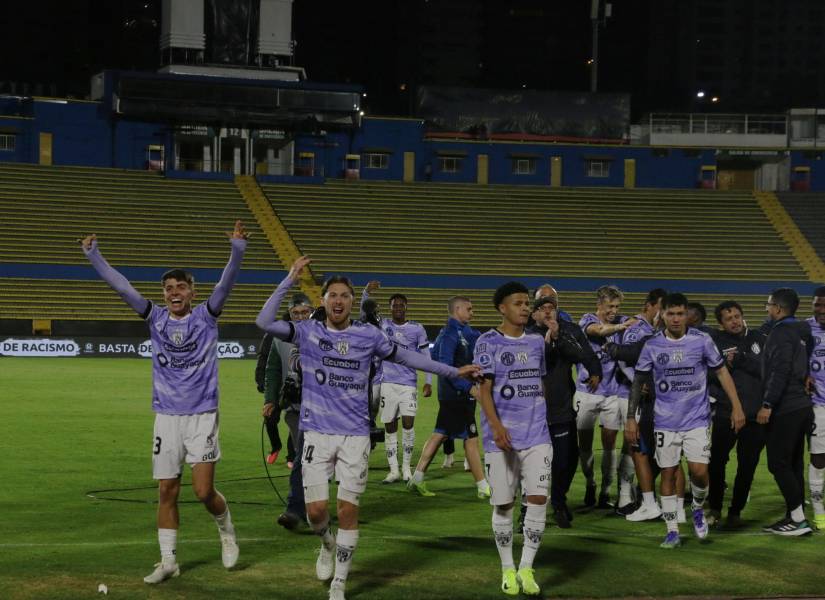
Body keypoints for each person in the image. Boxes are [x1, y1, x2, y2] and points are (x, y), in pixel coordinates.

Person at [255, 257, 480, 600]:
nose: (339, 300)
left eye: (345, 295)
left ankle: (340, 582)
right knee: (317, 514)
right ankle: (326, 544)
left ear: (350, 300)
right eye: (333, 295)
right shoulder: (308, 331)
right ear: (325, 301)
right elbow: (263, 321)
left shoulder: (368, 335)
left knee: (347, 509)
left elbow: (408, 357)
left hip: (355, 436)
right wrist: (289, 279)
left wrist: (451, 372)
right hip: (316, 433)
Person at [79, 221, 247, 583]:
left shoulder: (206, 316)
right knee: (166, 490)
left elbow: (225, 285)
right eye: (168, 288)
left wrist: (237, 251)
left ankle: (226, 529)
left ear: (191, 292)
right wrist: (95, 256)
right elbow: (122, 287)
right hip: (166, 417)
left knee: (203, 491)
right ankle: (168, 561)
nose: (174, 292)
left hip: (201, 414)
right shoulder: (154, 318)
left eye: (180, 287)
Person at [629, 293, 745, 548]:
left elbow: (722, 371)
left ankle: (697, 507)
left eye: (680, 314)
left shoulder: (701, 341)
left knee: (700, 473)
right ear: (663, 315)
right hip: (665, 421)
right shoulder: (652, 345)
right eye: (670, 314)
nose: (676, 319)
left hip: (697, 419)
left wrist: (737, 406)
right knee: (668, 474)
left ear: (686, 315)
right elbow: (638, 381)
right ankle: (672, 531)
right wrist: (631, 418)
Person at [476, 282, 551, 596]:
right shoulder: (487, 342)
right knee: (504, 504)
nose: (524, 308)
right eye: (518, 303)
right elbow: (483, 390)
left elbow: (540, 383)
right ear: (502, 308)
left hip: (537, 435)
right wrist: (496, 427)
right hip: (502, 438)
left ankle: (526, 567)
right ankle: (507, 566)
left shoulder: (537, 342)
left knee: (537, 499)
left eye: (526, 303)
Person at [408, 296, 491, 498]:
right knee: (470, 438)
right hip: (455, 394)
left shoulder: (466, 332)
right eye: (469, 309)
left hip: (459, 394)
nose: (473, 312)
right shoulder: (449, 334)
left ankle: (416, 479)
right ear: (457, 309)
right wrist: (468, 388)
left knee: (443, 434)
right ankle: (483, 487)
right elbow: (444, 367)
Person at [529, 295, 601, 528]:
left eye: (552, 308)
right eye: (543, 308)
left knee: (567, 459)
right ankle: (526, 510)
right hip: (533, 411)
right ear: (534, 313)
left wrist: (558, 337)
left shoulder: (567, 331)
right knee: (531, 463)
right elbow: (543, 359)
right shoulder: (527, 335)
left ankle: (559, 501)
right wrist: (549, 341)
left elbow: (582, 354)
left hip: (561, 407)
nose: (548, 312)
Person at [361, 282, 432, 483]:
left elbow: (426, 354)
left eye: (401, 305)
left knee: (409, 425)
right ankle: (393, 471)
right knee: (390, 426)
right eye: (394, 305)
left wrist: (428, 381)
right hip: (387, 382)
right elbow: (366, 311)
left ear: (406, 307)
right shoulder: (383, 325)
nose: (398, 308)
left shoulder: (416, 328)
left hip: (408, 383)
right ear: (390, 307)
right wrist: (366, 292)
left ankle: (407, 467)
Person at [758, 288, 814, 536]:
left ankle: (799, 520)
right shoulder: (802, 330)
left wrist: (768, 404)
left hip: (787, 407)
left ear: (778, 309)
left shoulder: (780, 333)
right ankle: (794, 515)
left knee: (778, 463)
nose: (767, 309)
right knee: (793, 465)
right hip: (802, 405)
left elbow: (779, 370)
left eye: (769, 305)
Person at [705, 301, 767, 528]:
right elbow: (709, 376)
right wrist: (726, 367)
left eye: (737, 316)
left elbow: (768, 371)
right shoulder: (714, 342)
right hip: (725, 412)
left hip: (754, 415)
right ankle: (714, 508)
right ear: (720, 323)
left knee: (747, 465)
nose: (735, 321)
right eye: (729, 318)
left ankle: (736, 511)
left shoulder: (759, 338)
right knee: (716, 463)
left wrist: (742, 360)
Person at [575, 285, 636, 508]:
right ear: (599, 304)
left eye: (617, 306)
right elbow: (598, 331)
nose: (614, 310)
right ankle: (590, 482)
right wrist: (621, 326)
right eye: (610, 306)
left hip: (611, 393)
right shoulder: (587, 319)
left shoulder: (623, 321)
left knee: (610, 443)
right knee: (585, 445)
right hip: (586, 392)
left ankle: (606, 491)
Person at [611, 288, 667, 517]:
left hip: (648, 399)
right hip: (631, 396)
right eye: (661, 307)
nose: (663, 312)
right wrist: (638, 382)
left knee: (644, 448)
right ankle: (626, 496)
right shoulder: (638, 327)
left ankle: (636, 494)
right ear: (649, 305)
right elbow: (625, 359)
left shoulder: (651, 329)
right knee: (634, 447)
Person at [263, 293, 314, 530]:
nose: (301, 317)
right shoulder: (280, 337)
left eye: (305, 312)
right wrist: (271, 399)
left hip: (323, 409)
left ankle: (311, 506)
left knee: (314, 461)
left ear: (312, 311)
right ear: (290, 314)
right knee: (303, 457)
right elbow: (273, 369)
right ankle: (295, 509)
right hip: (295, 409)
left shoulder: (323, 334)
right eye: (296, 313)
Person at [807, 286, 825, 530]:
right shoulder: (804, 328)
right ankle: (818, 507)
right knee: (819, 457)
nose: (821, 310)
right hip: (818, 405)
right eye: (817, 305)